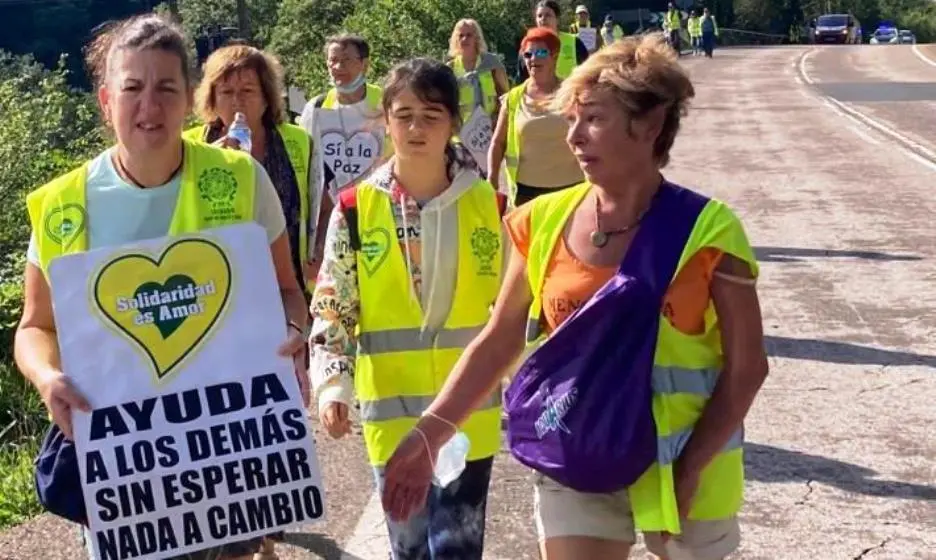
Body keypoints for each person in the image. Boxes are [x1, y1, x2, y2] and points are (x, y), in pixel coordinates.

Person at [381, 34, 769, 560]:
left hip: (680, 464)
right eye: (570, 120)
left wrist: (690, 467)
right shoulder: (541, 221)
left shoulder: (709, 230)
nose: (575, 137)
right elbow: (498, 342)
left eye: (593, 119)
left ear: (651, 124)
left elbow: (748, 368)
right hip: (575, 453)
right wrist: (430, 434)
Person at [14, 14, 309, 560]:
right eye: (132, 88)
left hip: (224, 456)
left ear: (187, 99)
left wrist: (294, 331)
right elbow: (35, 325)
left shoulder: (241, 179)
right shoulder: (62, 205)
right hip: (120, 467)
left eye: (166, 88)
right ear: (106, 101)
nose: (149, 106)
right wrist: (47, 376)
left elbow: (288, 292)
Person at [309, 58, 508, 560]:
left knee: (457, 549)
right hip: (392, 418)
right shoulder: (354, 209)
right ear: (385, 120)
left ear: (454, 123)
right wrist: (332, 382)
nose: (416, 128)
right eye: (404, 114)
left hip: (468, 417)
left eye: (431, 115)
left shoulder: (490, 206)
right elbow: (335, 303)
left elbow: (514, 312)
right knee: (411, 550)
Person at [185, 44, 319, 293]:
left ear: (267, 98)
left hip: (288, 284)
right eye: (226, 92)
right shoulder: (190, 147)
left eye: (247, 91)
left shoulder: (299, 141)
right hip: (215, 286)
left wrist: (319, 249)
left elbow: (322, 200)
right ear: (212, 100)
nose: (237, 101)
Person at [296, 34, 391, 271]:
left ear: (365, 64)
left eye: (346, 60)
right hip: (333, 217)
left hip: (381, 210)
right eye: (332, 61)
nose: (338, 68)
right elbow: (308, 166)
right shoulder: (317, 108)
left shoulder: (385, 102)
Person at [489, 27, 583, 207]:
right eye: (528, 54)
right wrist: (492, 178)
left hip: (572, 190)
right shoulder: (513, 98)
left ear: (554, 56)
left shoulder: (573, 93)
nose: (533, 59)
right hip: (526, 193)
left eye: (540, 52)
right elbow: (498, 143)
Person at [447, 18, 510, 125]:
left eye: (469, 35)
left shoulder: (492, 63)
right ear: (455, 39)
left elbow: (506, 97)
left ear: (477, 38)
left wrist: (497, 120)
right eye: (461, 35)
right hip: (462, 132)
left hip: (492, 127)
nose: (464, 39)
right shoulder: (450, 69)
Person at [515, 1, 588, 82]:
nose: (543, 19)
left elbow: (588, 74)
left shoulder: (574, 42)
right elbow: (522, 80)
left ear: (557, 19)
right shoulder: (527, 46)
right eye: (539, 16)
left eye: (548, 15)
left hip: (569, 93)